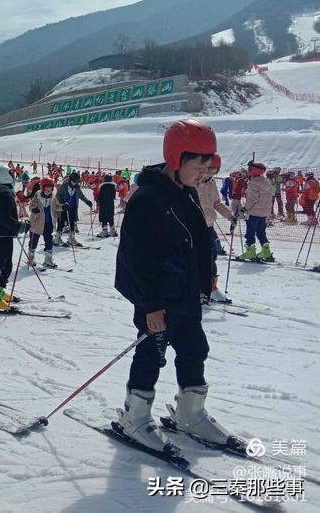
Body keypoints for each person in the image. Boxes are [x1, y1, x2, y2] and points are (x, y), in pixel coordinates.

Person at [115, 118, 233, 453]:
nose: (204, 171)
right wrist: (151, 304)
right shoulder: (148, 198)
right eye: (199, 163)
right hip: (157, 299)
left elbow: (198, 240)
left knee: (195, 348)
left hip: (185, 295)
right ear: (177, 157)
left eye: (208, 164)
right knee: (152, 353)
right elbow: (138, 257)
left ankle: (190, 412)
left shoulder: (186, 194)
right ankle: (135, 416)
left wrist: (205, 279)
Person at [195, 154, 236, 301]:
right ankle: (197, 288)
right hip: (194, 228)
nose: (210, 174)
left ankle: (212, 288)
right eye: (209, 170)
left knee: (212, 257)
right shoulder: (191, 182)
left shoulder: (211, 183)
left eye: (214, 171)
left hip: (209, 226)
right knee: (196, 259)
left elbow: (217, 203)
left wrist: (230, 216)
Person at [0, 166, 24, 310]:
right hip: (3, 233)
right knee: (5, 266)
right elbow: (5, 218)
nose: (12, 177)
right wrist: (19, 226)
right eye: (10, 174)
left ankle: (0, 292)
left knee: (3, 263)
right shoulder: (3, 194)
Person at [237, 161, 273, 261]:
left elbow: (252, 199)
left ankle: (250, 252)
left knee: (250, 233)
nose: (248, 171)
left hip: (253, 212)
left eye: (249, 169)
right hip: (264, 213)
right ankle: (266, 251)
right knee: (261, 232)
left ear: (253, 170)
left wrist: (244, 208)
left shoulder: (253, 183)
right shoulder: (266, 182)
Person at [56, 172, 93, 247]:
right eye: (74, 181)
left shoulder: (77, 187)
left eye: (77, 182)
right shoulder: (64, 186)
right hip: (64, 207)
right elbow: (58, 196)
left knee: (72, 223)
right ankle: (58, 238)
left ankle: (71, 238)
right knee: (61, 222)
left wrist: (87, 201)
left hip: (72, 208)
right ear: (70, 180)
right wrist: (61, 204)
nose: (75, 183)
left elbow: (81, 196)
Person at [28, 177, 57, 268]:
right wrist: (34, 209)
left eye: (50, 190)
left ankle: (48, 259)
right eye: (46, 190)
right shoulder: (37, 196)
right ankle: (31, 256)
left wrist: (63, 207)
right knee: (34, 240)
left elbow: (57, 206)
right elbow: (31, 206)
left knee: (49, 240)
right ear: (42, 188)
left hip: (48, 223)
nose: (49, 192)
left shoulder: (53, 197)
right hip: (37, 222)